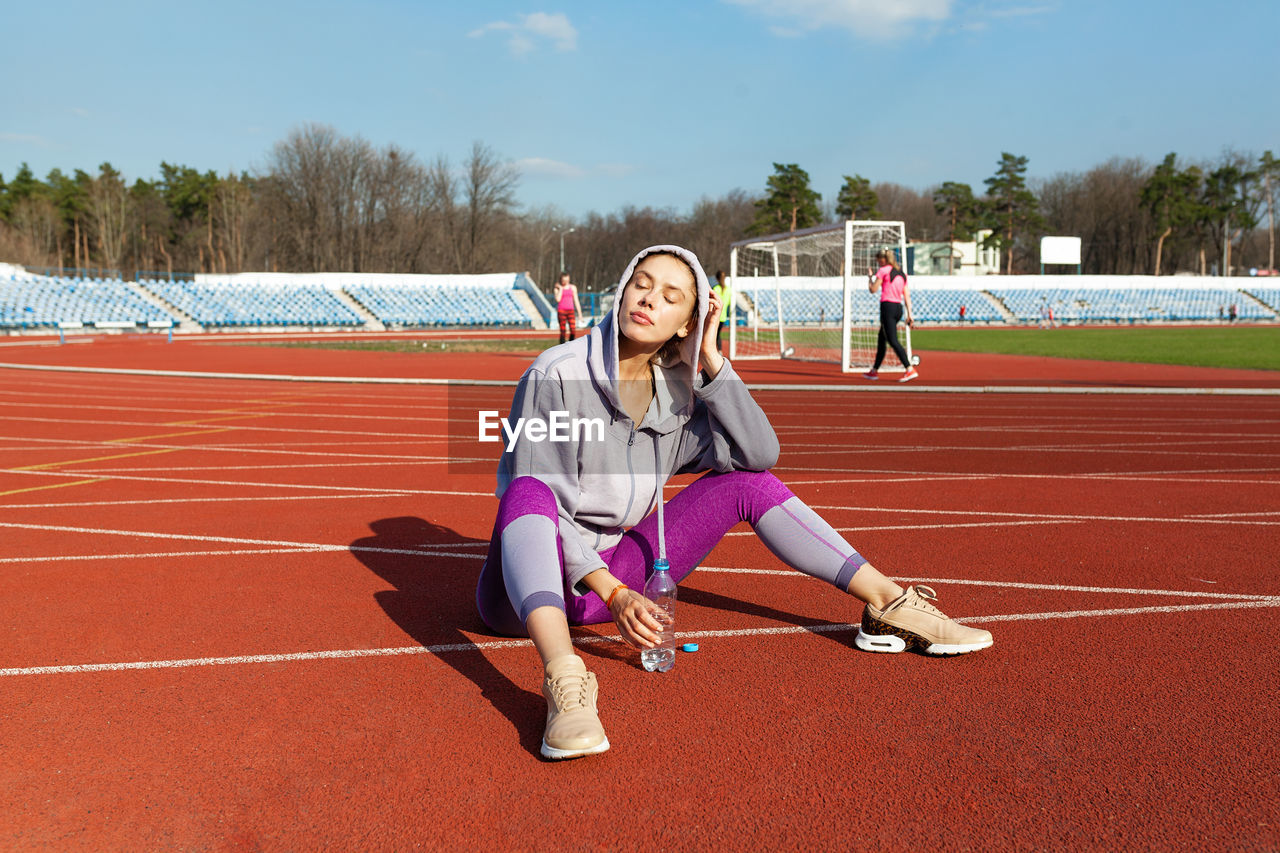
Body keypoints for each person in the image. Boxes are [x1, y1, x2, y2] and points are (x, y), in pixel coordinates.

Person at [475, 245, 992, 761]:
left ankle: (886, 603)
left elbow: (760, 453)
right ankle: (566, 684)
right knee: (528, 489)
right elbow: (538, 508)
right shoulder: (556, 375)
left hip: (614, 576)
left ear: (688, 323)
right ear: (624, 289)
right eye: (642, 283)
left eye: (671, 296)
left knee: (746, 483)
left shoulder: (676, 398)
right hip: (525, 598)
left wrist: (713, 362)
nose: (649, 299)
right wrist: (615, 594)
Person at [863, 250, 918, 382]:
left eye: (878, 260)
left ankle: (909, 368)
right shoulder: (902, 274)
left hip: (887, 306)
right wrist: (910, 314)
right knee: (882, 339)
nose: (877, 262)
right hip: (898, 308)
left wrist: (870, 278)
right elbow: (907, 296)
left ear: (883, 260)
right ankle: (874, 371)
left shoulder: (883, 271)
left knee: (892, 340)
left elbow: (873, 289)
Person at [553, 272, 582, 344]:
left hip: (570, 311)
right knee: (563, 331)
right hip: (561, 311)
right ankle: (562, 347)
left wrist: (580, 313)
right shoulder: (557, 289)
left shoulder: (573, 288)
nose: (566, 282)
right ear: (561, 280)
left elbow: (576, 301)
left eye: (567, 280)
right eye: (564, 280)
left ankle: (571, 345)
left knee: (573, 329)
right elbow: (558, 299)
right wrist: (560, 289)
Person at [710, 269, 731, 353]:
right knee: (717, 334)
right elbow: (729, 303)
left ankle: (715, 351)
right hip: (723, 316)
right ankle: (719, 350)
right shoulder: (729, 290)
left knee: (713, 334)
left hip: (715, 315)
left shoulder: (715, 288)